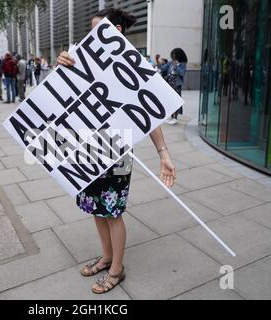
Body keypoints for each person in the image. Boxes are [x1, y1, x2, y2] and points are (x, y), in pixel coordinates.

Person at [57, 8, 177, 295]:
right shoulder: (83, 61)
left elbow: (148, 112)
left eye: (96, 29)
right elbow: (61, 95)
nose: (90, 35)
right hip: (88, 148)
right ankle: (107, 257)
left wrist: (163, 153)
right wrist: (60, 67)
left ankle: (116, 270)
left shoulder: (132, 65)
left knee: (112, 211)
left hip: (117, 151)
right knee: (96, 209)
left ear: (116, 31)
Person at [160, 48, 187, 125]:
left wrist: (176, 66)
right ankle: (171, 117)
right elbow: (163, 68)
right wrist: (161, 63)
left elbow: (182, 73)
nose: (173, 55)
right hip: (169, 84)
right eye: (172, 54)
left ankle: (175, 118)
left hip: (177, 84)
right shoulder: (171, 62)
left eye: (174, 54)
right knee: (170, 101)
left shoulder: (182, 64)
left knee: (176, 102)